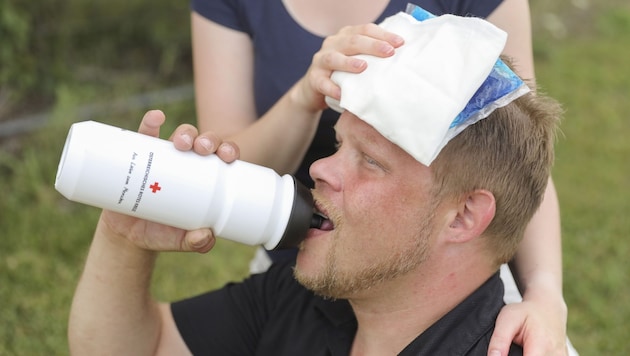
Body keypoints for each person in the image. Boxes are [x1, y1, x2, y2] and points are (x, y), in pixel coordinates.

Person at [68, 13, 564, 355]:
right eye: (337, 145)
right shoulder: (311, 298)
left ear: (463, 216)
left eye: (369, 161)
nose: (319, 170)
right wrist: (124, 236)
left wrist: (546, 291)